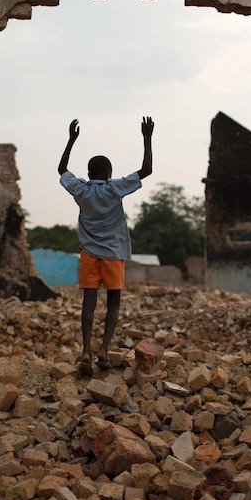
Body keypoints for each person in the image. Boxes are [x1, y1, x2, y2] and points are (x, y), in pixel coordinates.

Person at [58, 116, 154, 376]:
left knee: (89, 303)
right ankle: (103, 349)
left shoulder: (81, 190)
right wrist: (147, 137)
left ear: (89, 173)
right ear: (109, 173)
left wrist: (71, 140)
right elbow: (146, 171)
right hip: (113, 255)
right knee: (113, 303)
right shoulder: (114, 189)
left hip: (88, 254)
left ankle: (86, 350)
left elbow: (62, 170)